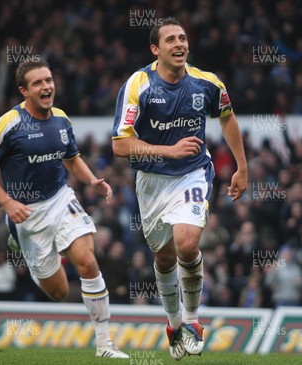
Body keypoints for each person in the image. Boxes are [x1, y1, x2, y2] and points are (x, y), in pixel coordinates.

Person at [111, 17, 247, 360]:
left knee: (187, 244)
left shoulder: (207, 84)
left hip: (192, 173)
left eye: (183, 38)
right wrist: (167, 150)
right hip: (151, 182)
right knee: (164, 256)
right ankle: (173, 325)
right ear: (156, 50)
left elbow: (227, 117)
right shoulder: (139, 84)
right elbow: (120, 145)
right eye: (170, 39)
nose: (179, 44)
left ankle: (192, 321)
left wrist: (242, 167)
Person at [0, 59, 128, 359]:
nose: (47, 87)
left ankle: (104, 343)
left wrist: (92, 179)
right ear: (24, 91)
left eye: (49, 80)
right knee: (57, 292)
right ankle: (19, 242)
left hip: (60, 199)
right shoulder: (10, 123)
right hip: (27, 215)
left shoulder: (61, 119)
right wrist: (7, 202)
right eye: (38, 83)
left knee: (87, 261)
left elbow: (71, 159)